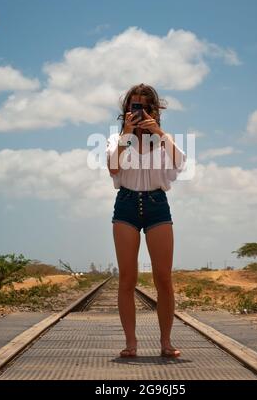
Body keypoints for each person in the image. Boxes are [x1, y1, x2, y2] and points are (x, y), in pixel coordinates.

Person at [106, 83, 186, 358]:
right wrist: (127, 134)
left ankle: (166, 342)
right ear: (127, 109)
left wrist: (159, 132)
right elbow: (113, 167)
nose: (137, 110)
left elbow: (180, 162)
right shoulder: (118, 140)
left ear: (153, 109)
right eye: (133, 105)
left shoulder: (163, 139)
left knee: (163, 278)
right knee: (127, 278)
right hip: (126, 205)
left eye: (143, 106)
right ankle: (131, 343)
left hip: (156, 204)